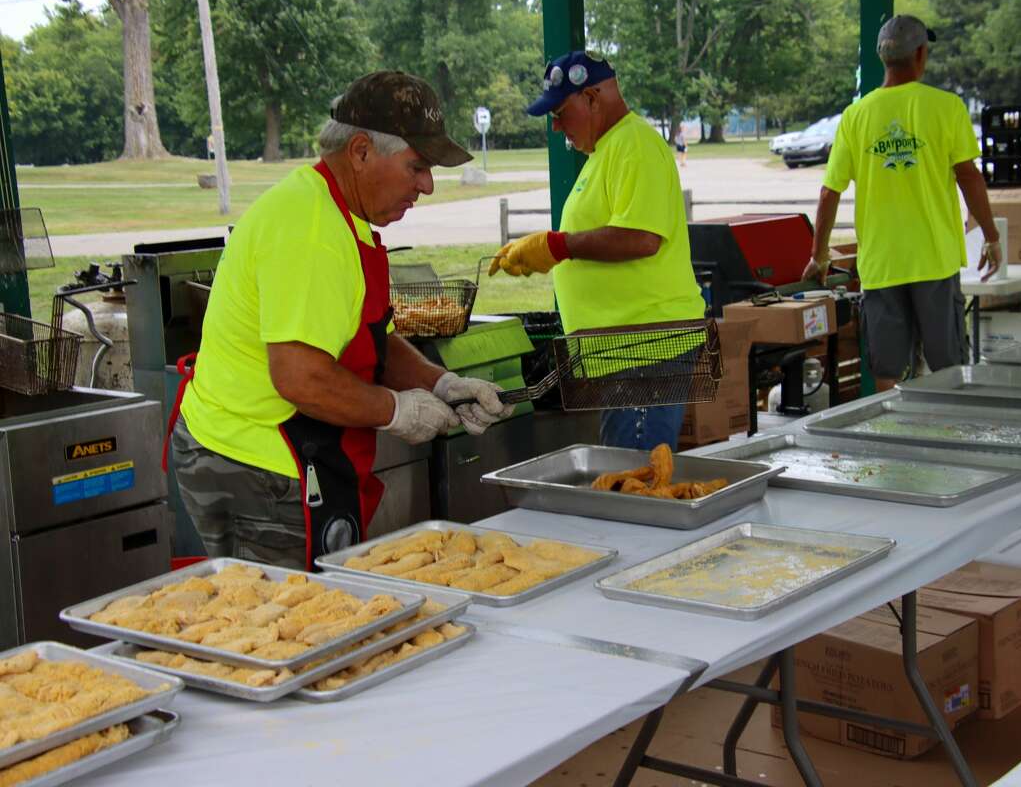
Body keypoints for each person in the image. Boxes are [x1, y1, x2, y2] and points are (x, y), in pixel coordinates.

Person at [168, 71, 513, 570]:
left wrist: (441, 384)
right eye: (417, 167)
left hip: (291, 451)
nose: (428, 186)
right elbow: (299, 378)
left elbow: (374, 336)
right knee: (291, 628)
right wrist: (398, 410)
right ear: (360, 151)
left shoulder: (343, 214)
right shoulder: (312, 231)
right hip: (258, 463)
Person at [488, 51, 705, 451]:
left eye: (559, 113)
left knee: (634, 482)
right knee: (627, 476)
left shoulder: (634, 144)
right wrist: (542, 251)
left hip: (645, 351)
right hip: (624, 354)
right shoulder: (605, 150)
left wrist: (556, 246)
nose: (556, 127)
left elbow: (641, 237)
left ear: (591, 98)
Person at [802, 15, 1001, 391]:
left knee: (888, 372)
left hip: (882, 263)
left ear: (884, 58)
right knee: (948, 368)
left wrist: (820, 254)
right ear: (921, 53)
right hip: (934, 261)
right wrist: (991, 236)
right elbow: (968, 176)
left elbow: (830, 192)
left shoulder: (855, 116)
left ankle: (888, 440)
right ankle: (948, 440)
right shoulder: (946, 107)